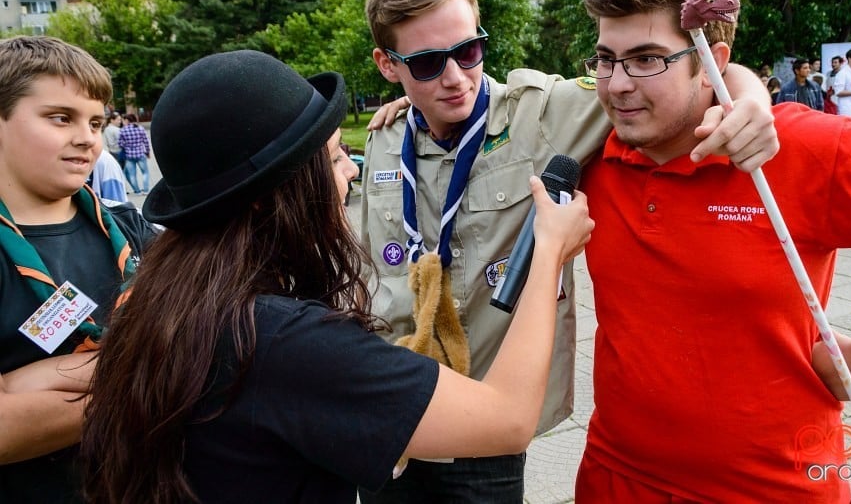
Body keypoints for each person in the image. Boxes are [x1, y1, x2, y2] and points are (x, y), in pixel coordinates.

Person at [79, 50, 594, 504]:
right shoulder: (282, 339)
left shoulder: (161, 296)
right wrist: (547, 250)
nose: (351, 171)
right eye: (333, 157)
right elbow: (506, 420)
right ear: (270, 196)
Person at [358, 0, 778, 502]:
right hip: (391, 414)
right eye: (428, 64)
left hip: (485, 422)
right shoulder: (385, 137)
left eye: (468, 51)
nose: (456, 77)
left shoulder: (543, 114)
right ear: (388, 65)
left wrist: (750, 98)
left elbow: (690, 71)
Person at [575, 0, 851, 503]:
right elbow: (473, 102)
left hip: (773, 488)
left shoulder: (800, 148)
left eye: (647, 59)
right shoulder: (589, 142)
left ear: (713, 63)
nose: (618, 83)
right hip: (615, 477)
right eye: (606, 58)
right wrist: (400, 112)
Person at [0, 35, 157, 503]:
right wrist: (153, 384)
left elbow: (195, 330)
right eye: (60, 118)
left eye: (95, 121)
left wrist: (41, 382)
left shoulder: (126, 225)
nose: (86, 138)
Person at [118, 113, 150, 194]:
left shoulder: (123, 130)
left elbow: (120, 144)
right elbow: (146, 141)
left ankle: (137, 191)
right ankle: (146, 190)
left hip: (129, 156)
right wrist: (147, 152)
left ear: (127, 120)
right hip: (140, 154)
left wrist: (128, 145)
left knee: (132, 175)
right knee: (145, 172)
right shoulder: (140, 128)